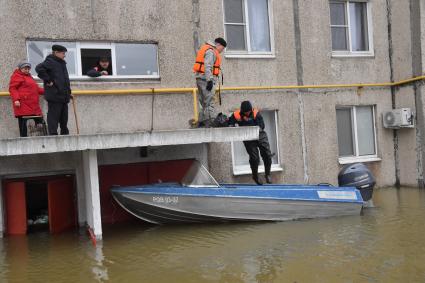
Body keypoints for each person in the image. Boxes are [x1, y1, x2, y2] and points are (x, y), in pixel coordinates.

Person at [228, 101, 273, 185]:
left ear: (251, 110)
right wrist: (231, 125)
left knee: (267, 154)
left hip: (260, 135)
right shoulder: (236, 114)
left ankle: (268, 174)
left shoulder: (256, 113)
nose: (247, 113)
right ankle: (255, 176)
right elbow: (230, 123)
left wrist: (258, 128)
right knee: (254, 157)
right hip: (248, 137)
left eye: (248, 111)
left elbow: (262, 125)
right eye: (245, 112)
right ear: (242, 111)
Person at [35, 44, 72, 135]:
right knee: (54, 116)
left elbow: (64, 79)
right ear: (56, 52)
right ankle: (53, 134)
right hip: (55, 95)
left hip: (64, 95)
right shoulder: (50, 61)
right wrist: (48, 80)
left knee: (64, 117)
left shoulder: (61, 63)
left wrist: (69, 92)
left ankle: (65, 133)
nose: (64, 55)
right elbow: (39, 68)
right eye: (63, 53)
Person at [193, 37, 227, 127]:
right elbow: (207, 66)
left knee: (203, 102)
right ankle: (210, 123)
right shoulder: (211, 51)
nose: (221, 51)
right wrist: (209, 81)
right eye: (222, 49)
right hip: (206, 80)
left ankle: (201, 122)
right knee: (209, 101)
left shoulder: (207, 49)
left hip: (200, 79)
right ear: (218, 45)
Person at [8, 62, 45, 137]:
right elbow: (12, 88)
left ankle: (40, 138)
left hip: (33, 105)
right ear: (20, 69)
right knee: (23, 123)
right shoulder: (16, 76)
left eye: (28, 69)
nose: (27, 70)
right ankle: (23, 138)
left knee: (40, 122)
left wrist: (47, 91)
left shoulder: (29, 77)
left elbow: (36, 89)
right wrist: (16, 100)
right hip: (23, 104)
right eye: (25, 69)